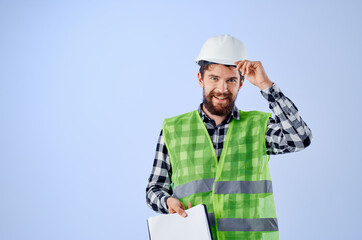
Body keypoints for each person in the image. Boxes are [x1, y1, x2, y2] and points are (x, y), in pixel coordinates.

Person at [146, 34, 312, 240]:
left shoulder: (258, 127)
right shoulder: (173, 129)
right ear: (201, 79)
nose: (222, 89)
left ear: (241, 83)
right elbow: (155, 188)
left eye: (231, 80)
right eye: (214, 78)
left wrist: (266, 86)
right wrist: (167, 202)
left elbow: (300, 138)